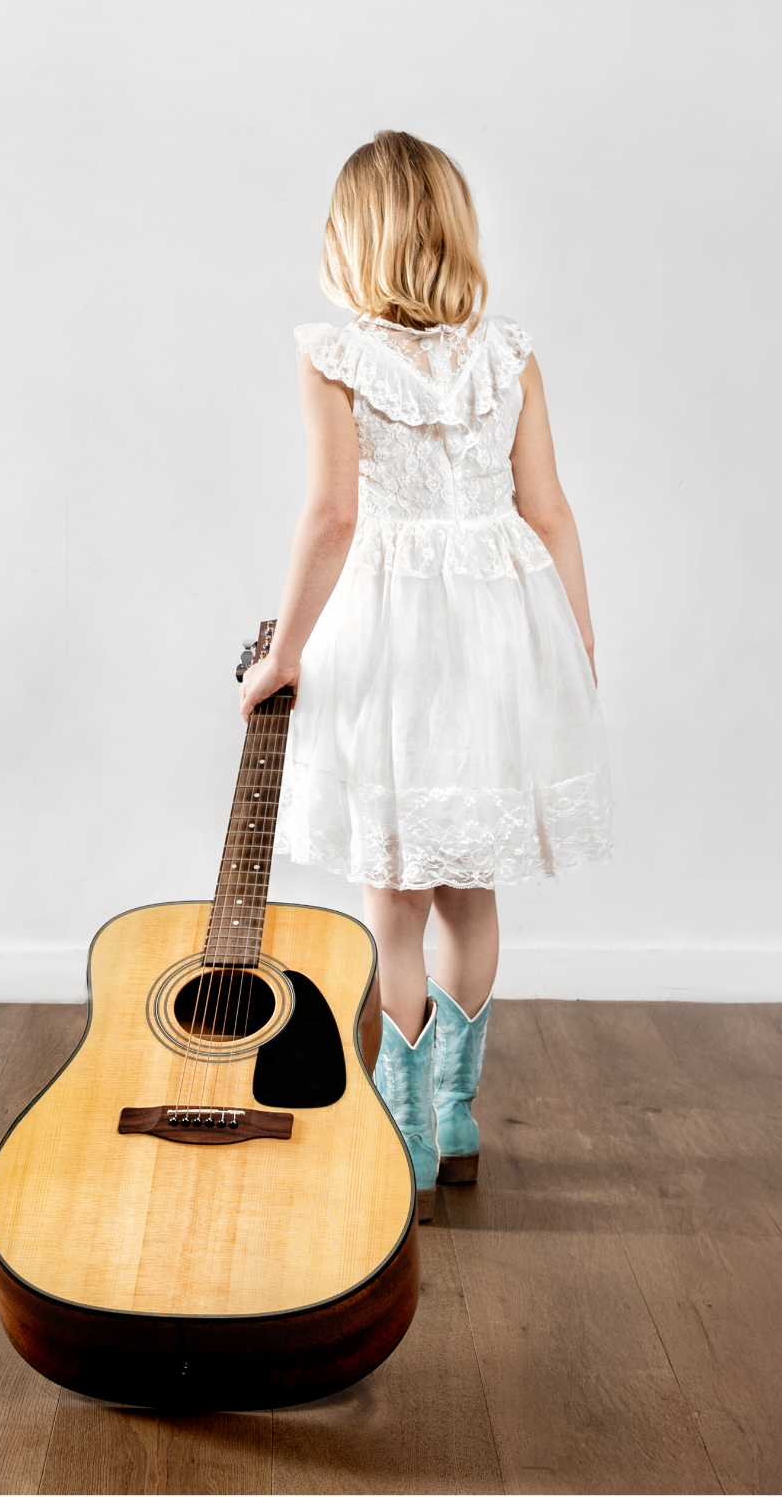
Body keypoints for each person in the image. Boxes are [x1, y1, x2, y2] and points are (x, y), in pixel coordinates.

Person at [239, 131, 613, 1220]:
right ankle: (454, 1115)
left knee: (393, 892)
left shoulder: (332, 357)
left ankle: (401, 1128)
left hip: (390, 627)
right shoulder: (509, 357)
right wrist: (576, 647)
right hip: (499, 626)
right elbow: (550, 510)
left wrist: (284, 653)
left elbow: (333, 516)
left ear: (352, 239)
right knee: (469, 883)